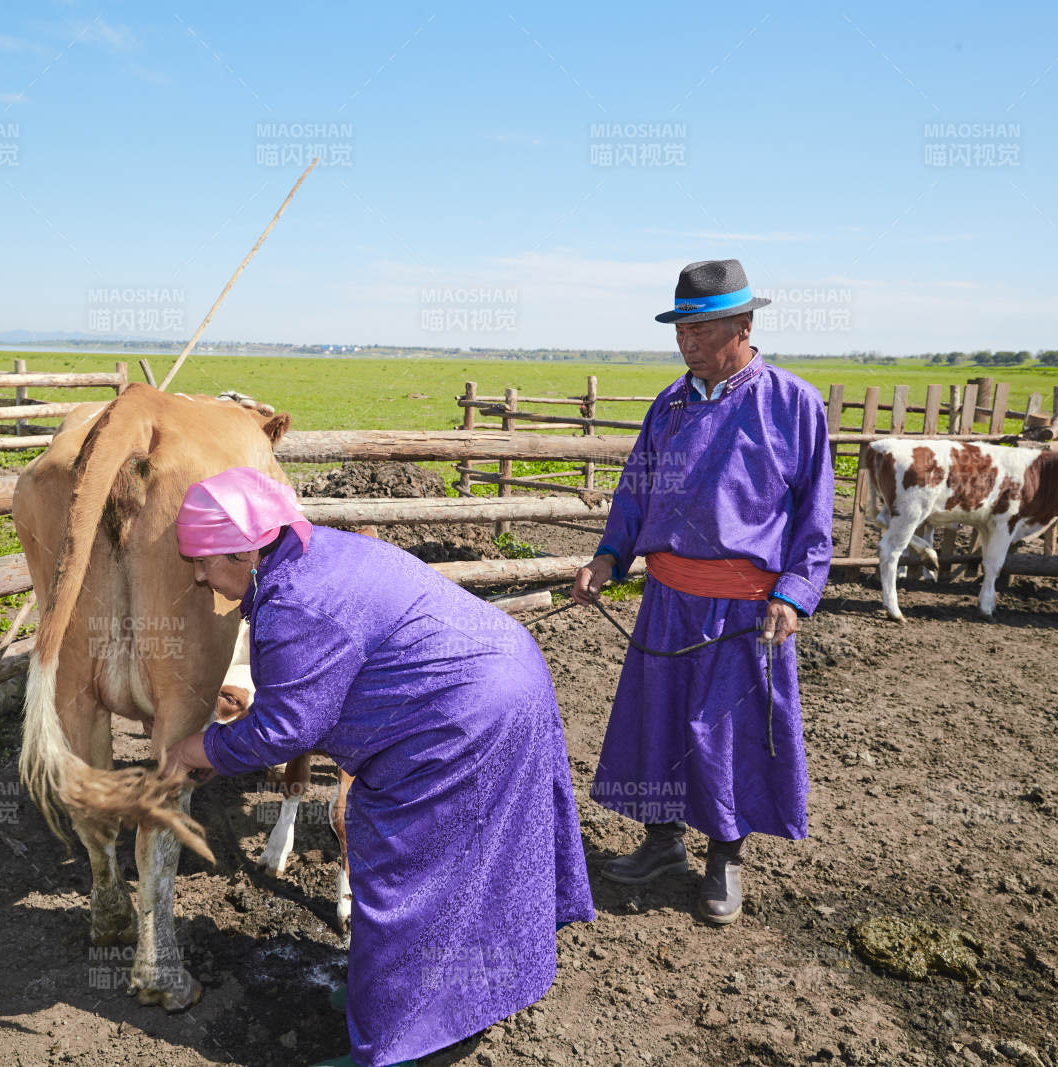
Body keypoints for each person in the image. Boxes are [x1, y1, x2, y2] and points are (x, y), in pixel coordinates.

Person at [162, 466, 595, 1067]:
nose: (198, 576)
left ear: (244, 551)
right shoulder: (315, 552)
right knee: (470, 865)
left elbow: (287, 729)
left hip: (464, 719)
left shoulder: (295, 603)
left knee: (405, 869)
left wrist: (196, 750)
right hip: (502, 681)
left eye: (203, 561)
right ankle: (422, 1000)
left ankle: (397, 1046)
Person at [572, 258, 833, 926]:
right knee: (658, 720)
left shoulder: (792, 404)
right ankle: (662, 844)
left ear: (742, 327)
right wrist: (608, 557)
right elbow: (635, 489)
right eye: (681, 330)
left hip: (744, 607)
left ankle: (725, 857)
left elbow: (815, 516)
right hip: (667, 598)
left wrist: (795, 593)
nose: (687, 343)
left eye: (702, 330)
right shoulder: (670, 405)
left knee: (726, 732)